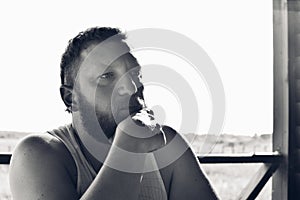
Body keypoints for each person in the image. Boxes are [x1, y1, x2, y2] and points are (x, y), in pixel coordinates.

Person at [9, 27, 218, 200]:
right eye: (107, 76)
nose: (131, 86)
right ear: (70, 98)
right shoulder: (37, 153)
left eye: (135, 73)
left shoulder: (167, 147)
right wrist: (130, 147)